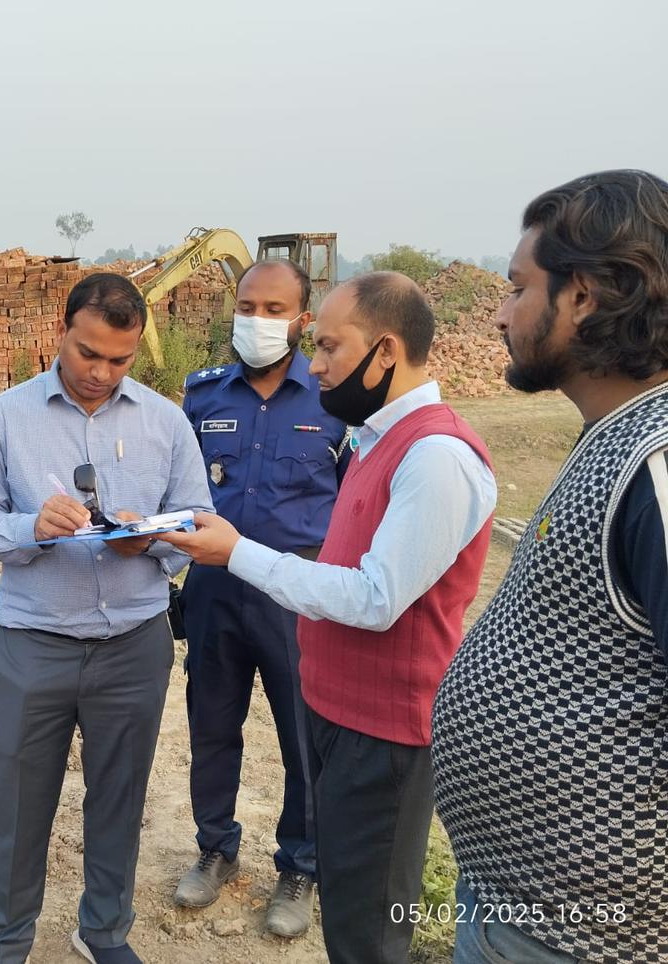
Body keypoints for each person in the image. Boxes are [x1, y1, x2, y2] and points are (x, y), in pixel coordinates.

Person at [159, 271, 497, 964]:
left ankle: (297, 866)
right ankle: (216, 847)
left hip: (382, 721)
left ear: (385, 351)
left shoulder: (434, 456)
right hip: (319, 676)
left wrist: (240, 552)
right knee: (353, 915)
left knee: (369, 925)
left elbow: (375, 597)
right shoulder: (378, 437)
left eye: (330, 346)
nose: (316, 364)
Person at [432, 169, 668, 964]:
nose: (498, 313)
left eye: (516, 288)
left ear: (586, 297)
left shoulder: (659, 459)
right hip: (529, 908)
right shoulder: (617, 434)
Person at [0, 273, 212, 964]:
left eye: (119, 359)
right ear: (60, 332)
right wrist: (29, 526)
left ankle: (103, 932)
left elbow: (200, 520)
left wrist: (151, 539)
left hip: (134, 644)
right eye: (87, 352)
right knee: (19, 805)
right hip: (35, 643)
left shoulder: (165, 421)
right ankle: (5, 943)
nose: (100, 372)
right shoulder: (4, 418)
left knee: (119, 801)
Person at [173, 259, 346, 939]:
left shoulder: (334, 403)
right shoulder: (203, 396)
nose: (260, 320)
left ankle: (301, 864)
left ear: (304, 318)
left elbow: (357, 503)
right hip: (215, 588)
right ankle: (215, 848)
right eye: (249, 305)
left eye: (276, 309)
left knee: (304, 740)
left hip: (296, 594)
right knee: (212, 727)